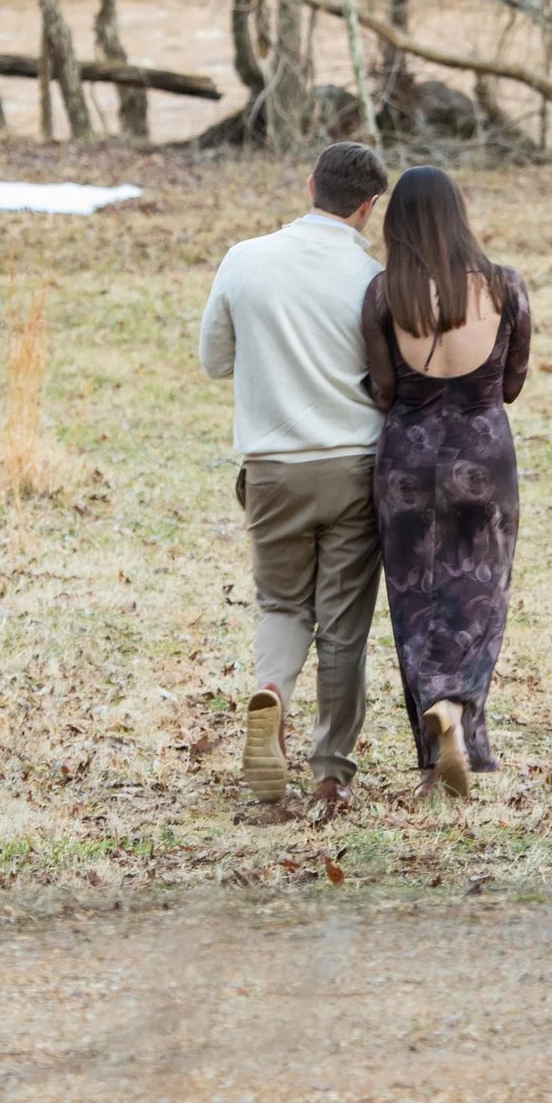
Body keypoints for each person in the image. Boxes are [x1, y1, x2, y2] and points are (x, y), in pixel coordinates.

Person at [198, 142, 392, 815]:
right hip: (352, 467)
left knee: (282, 604)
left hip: (272, 466)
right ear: (369, 207)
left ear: (310, 183)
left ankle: (272, 694)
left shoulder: (244, 259)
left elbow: (213, 360)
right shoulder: (372, 277)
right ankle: (331, 775)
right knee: (342, 626)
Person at [360, 166, 532, 798]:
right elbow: (511, 384)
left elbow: (382, 389)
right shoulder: (505, 286)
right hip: (485, 457)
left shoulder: (384, 294)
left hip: (406, 458)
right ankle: (457, 709)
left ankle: (435, 751)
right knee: (480, 593)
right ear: (459, 215)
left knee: (415, 600)